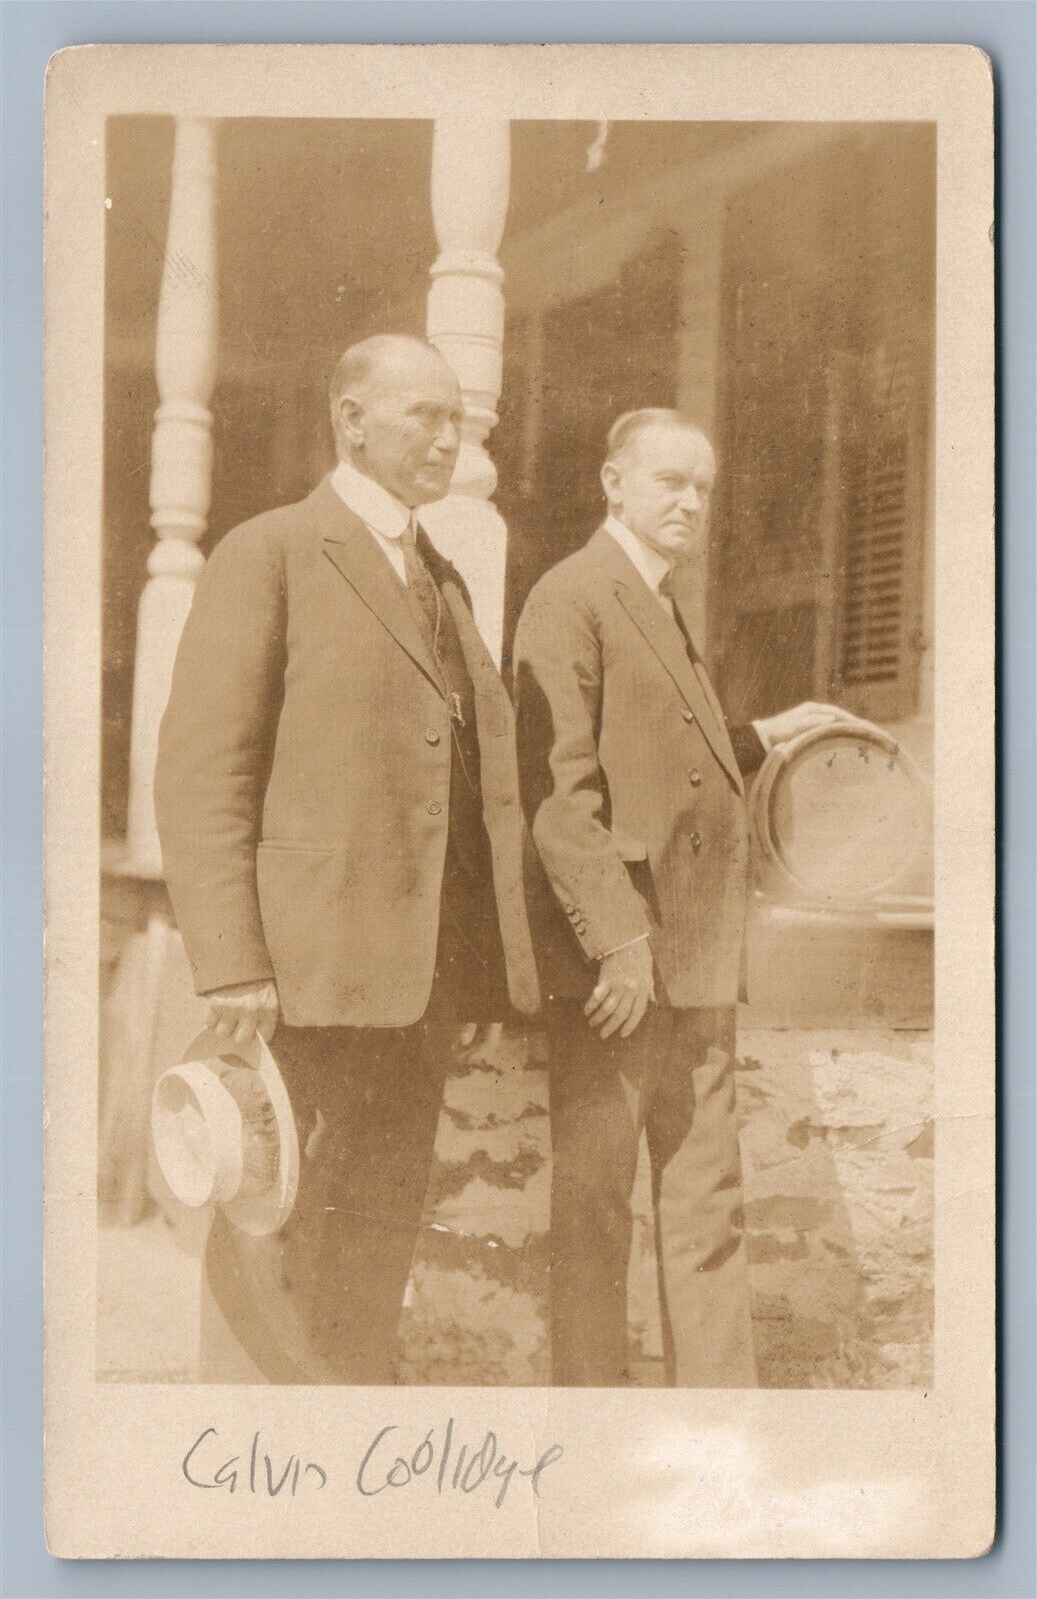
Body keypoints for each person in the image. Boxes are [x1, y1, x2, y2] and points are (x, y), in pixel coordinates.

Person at [155, 334, 538, 1383]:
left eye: (455, 419)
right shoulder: (270, 550)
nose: (447, 438)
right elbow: (202, 772)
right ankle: (241, 1461)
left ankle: (344, 1449)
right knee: (272, 1220)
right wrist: (231, 959)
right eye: (423, 415)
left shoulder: (438, 576)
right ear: (350, 419)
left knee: (374, 1228)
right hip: (299, 978)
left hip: (416, 982)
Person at [513, 407, 854, 1387]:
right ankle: (588, 1424)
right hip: (622, 971)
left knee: (707, 1211)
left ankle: (717, 1433)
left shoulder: (657, 602)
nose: (689, 503)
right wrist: (618, 944)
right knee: (593, 1212)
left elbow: (671, 765)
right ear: (612, 481)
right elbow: (557, 796)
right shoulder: (571, 595)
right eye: (668, 481)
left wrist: (766, 731)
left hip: (696, 963)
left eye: (700, 487)